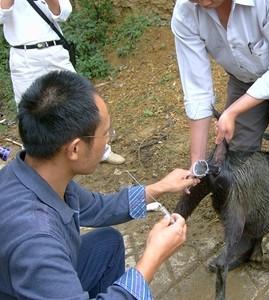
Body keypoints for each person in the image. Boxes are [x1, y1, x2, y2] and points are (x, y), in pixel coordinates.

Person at [0, 70, 200, 300]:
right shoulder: (37, 242)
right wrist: (151, 260)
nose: (108, 140)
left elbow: (96, 208)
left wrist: (157, 188)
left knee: (107, 243)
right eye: (105, 134)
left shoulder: (34, 172)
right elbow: (41, 245)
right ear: (75, 149)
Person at [171, 0, 269, 298]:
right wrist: (197, 164)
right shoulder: (186, 12)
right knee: (237, 162)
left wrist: (232, 112)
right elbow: (197, 89)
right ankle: (245, 238)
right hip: (244, 79)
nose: (200, 2)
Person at [0, 0, 125, 165]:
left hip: (53, 51)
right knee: (28, 112)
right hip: (23, 57)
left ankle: (101, 150)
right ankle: (34, 164)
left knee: (82, 99)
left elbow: (64, 13)